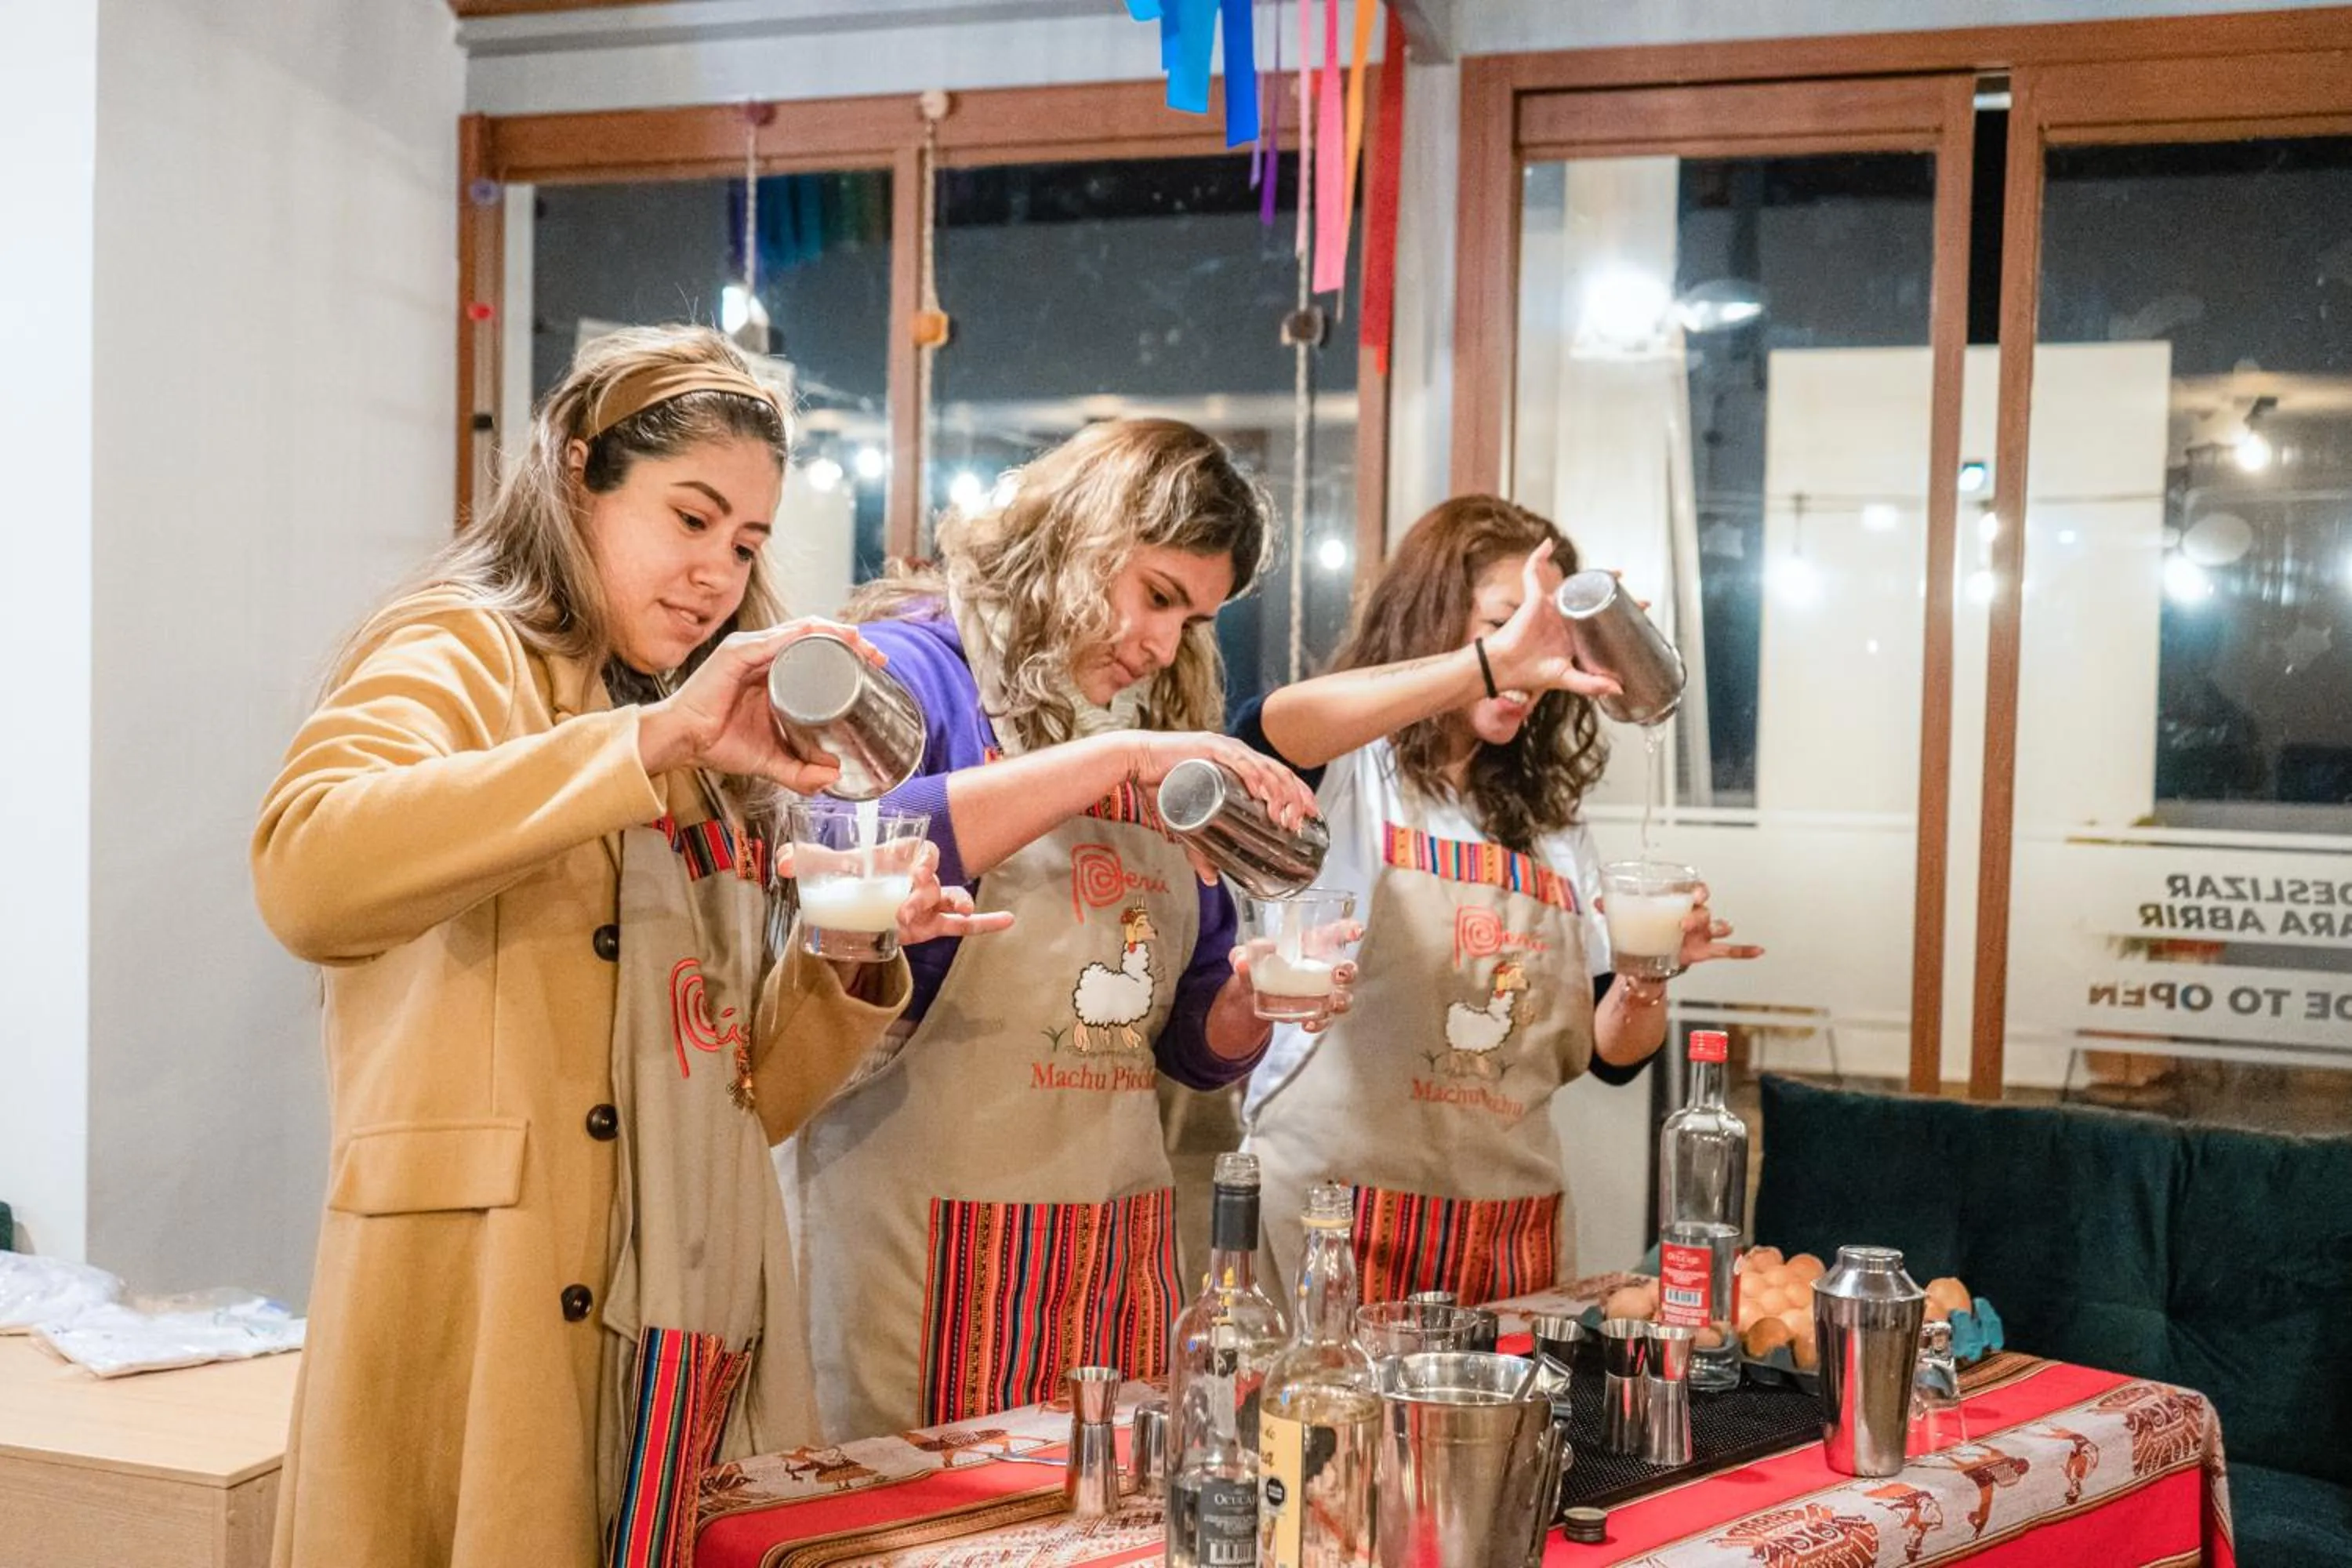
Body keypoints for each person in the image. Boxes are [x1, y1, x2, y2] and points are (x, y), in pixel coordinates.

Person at [252, 325, 997, 1568]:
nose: (715, 571)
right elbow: (306, 876)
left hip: (677, 1314)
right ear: (578, 475)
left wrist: (848, 950)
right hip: (486, 1301)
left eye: (746, 544)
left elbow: (738, 1094)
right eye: (689, 518)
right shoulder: (459, 650)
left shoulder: (672, 723)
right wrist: (640, 755)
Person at [781, 418, 1322, 1440]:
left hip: (1112, 1253)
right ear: (1080, 540)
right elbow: (839, 850)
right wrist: (1111, 766)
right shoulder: (918, 671)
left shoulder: (1150, 731)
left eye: (1193, 620)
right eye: (1157, 596)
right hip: (922, 1253)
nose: (1165, 643)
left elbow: (1187, 1036)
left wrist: (1249, 1003)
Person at [1235, 495, 1762, 1303]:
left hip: (1510, 1228)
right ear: (1431, 616)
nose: (1531, 659)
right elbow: (1269, 731)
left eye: (1549, 636)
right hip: (1336, 1216)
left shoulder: (1550, 824)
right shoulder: (1351, 770)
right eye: (1502, 623)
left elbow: (1613, 1052)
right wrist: (1491, 664)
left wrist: (1647, 974)